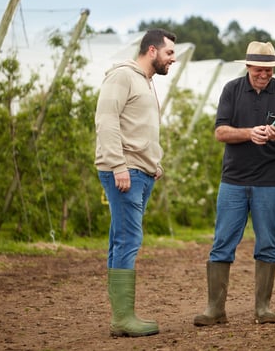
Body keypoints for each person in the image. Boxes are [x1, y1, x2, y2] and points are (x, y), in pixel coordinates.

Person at [194, 41, 275, 326]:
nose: (264, 75)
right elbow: (220, 132)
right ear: (247, 67)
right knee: (222, 242)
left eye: (268, 70)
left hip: (270, 179)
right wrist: (248, 133)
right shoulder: (231, 90)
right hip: (234, 179)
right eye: (259, 70)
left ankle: (263, 308)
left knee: (267, 243)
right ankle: (215, 309)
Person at [95, 28, 177, 337]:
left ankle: (121, 317)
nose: (174, 58)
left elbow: (139, 127)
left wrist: (154, 162)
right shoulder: (122, 77)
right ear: (152, 51)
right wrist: (118, 166)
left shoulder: (145, 82)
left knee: (121, 239)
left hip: (140, 170)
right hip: (124, 170)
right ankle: (123, 319)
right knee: (128, 240)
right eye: (169, 52)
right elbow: (106, 121)